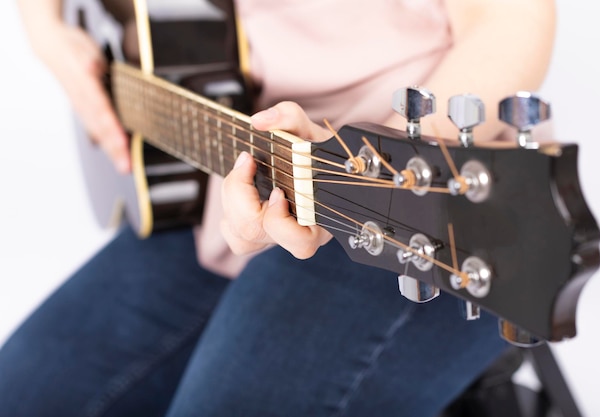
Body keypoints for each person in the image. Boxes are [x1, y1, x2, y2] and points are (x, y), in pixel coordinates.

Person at [0, 0, 556, 416]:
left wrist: (379, 163)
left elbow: (511, 20)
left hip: (425, 218)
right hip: (216, 182)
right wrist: (46, 30)